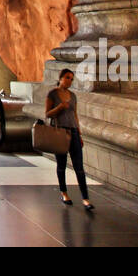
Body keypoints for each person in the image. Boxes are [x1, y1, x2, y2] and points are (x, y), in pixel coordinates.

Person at [45, 68, 93, 209]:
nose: (69, 81)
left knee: (79, 167)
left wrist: (79, 133)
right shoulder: (52, 94)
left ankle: (85, 198)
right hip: (60, 132)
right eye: (67, 77)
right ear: (60, 78)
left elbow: (75, 115)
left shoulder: (73, 96)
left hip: (73, 132)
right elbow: (47, 113)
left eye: (71, 79)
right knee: (62, 165)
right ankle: (64, 193)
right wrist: (60, 107)